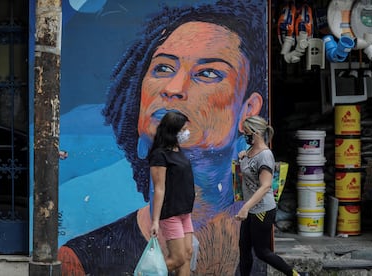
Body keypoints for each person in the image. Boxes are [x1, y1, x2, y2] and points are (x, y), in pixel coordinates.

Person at [58, 1, 268, 275]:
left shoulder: (253, 242)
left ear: (247, 109)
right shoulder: (80, 258)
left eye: (207, 73)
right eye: (163, 68)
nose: (173, 88)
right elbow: (160, 191)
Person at [235, 116, 304, 276]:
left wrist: (245, 207)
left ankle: (294, 274)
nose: (245, 136)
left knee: (262, 252)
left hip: (262, 210)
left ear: (257, 132)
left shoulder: (265, 155)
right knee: (244, 249)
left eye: (247, 133)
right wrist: (243, 157)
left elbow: (266, 185)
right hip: (251, 208)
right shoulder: (250, 151)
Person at [149, 111, 195, 275]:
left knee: (188, 254)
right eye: (183, 129)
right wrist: (155, 221)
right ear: (172, 131)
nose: (186, 133)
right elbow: (159, 188)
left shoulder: (177, 151)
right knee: (177, 258)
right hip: (171, 213)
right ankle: (145, 273)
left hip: (185, 212)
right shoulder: (159, 155)